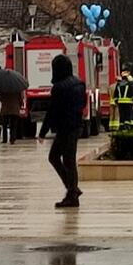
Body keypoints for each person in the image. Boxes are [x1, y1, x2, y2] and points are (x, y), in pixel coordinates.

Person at [39, 54, 86, 209]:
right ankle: (73, 190)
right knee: (65, 159)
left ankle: (72, 193)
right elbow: (83, 104)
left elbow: (52, 110)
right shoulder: (79, 83)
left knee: (63, 159)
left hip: (65, 128)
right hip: (76, 125)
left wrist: (43, 131)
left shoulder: (59, 87)